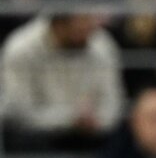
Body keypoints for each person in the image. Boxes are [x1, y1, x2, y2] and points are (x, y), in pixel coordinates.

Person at [0, 10, 124, 149]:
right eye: (79, 29)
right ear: (59, 25)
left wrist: (97, 120)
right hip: (38, 135)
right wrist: (69, 119)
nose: (87, 35)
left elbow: (113, 102)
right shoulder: (21, 49)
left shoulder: (100, 44)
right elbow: (19, 111)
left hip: (92, 134)